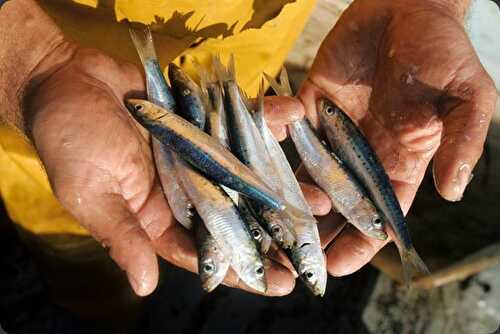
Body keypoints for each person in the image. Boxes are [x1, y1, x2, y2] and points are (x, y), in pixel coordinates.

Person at [0, 0, 496, 304]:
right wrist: (33, 69)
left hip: (248, 44)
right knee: (69, 234)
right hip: (46, 57)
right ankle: (88, 298)